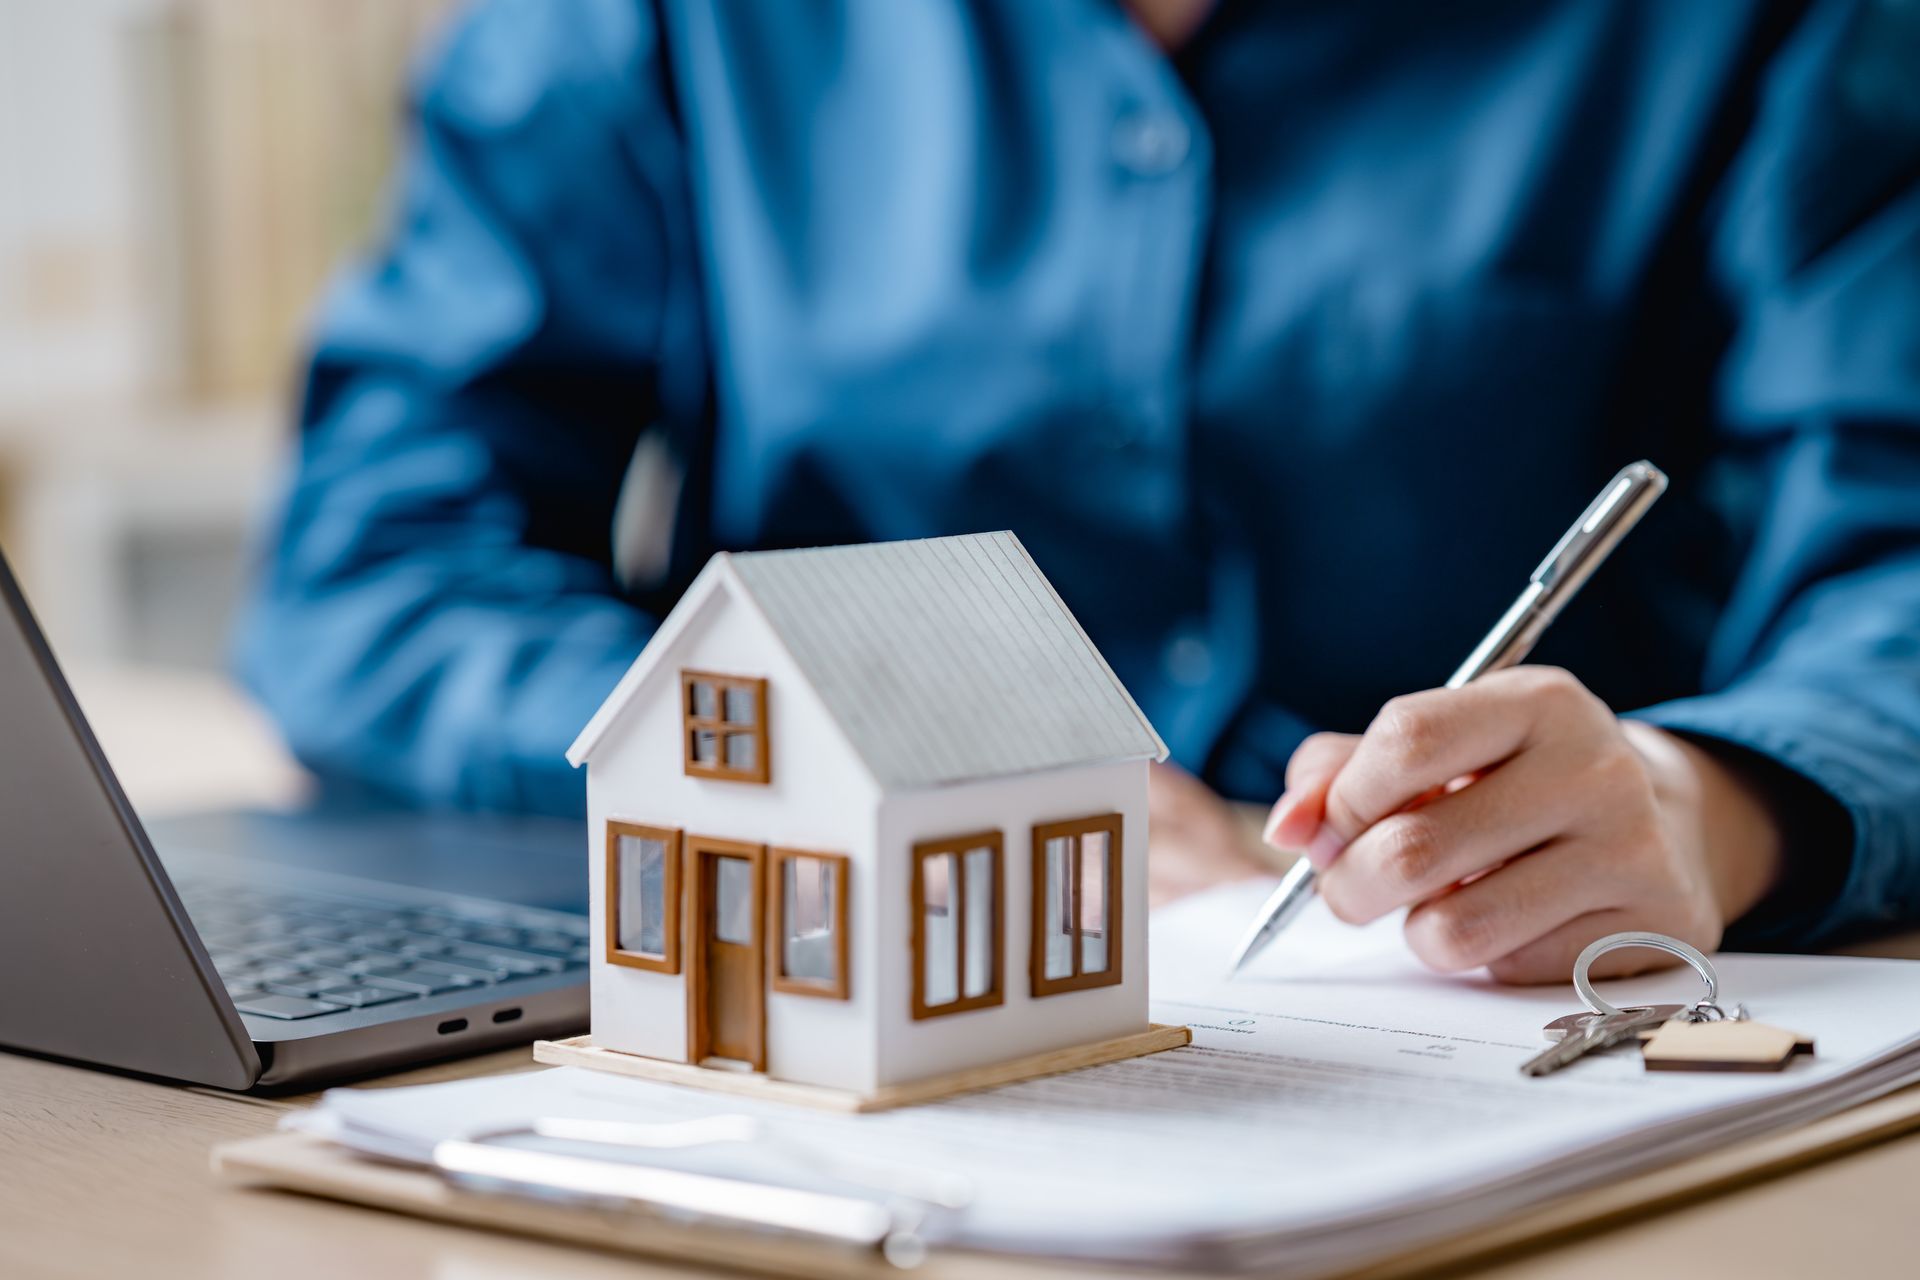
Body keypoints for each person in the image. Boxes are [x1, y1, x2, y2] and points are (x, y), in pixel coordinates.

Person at [238, 0, 1920, 983]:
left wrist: (1709, 801)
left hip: (1508, 1017)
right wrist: (821, 769)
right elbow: (378, 568)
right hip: (834, 1012)